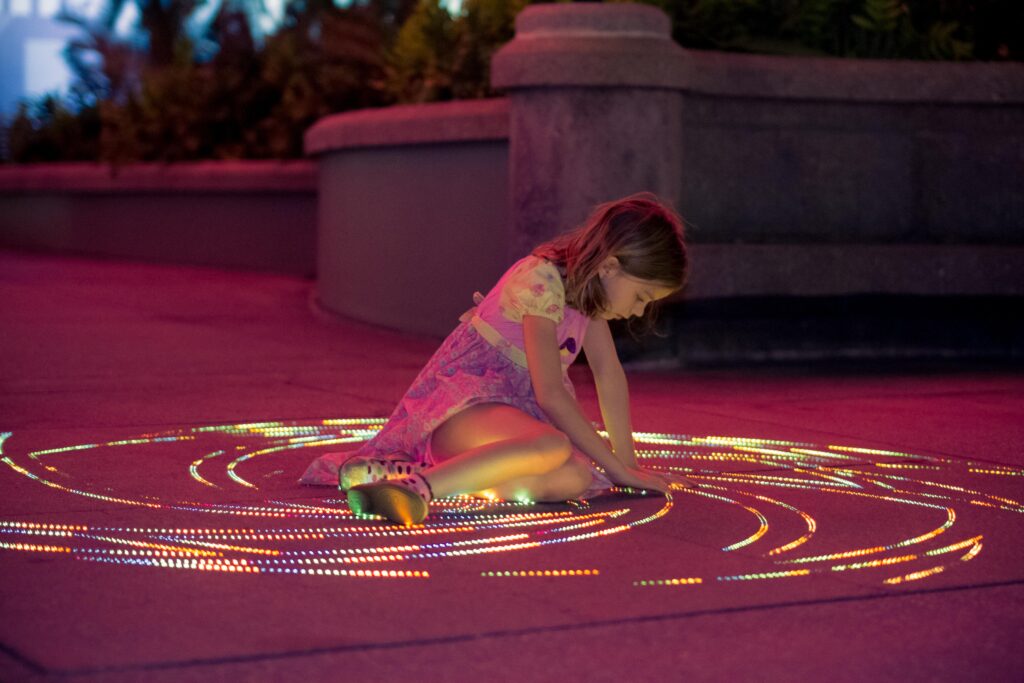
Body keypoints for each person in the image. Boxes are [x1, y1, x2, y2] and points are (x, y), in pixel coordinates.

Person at [300, 191, 696, 525]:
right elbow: (550, 397)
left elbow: (609, 376)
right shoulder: (541, 282)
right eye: (642, 297)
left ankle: (413, 476)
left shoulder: (588, 299)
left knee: (573, 478)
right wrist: (616, 469)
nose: (640, 311)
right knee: (554, 446)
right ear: (610, 267)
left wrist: (627, 468)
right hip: (459, 415)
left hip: (500, 432)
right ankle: (416, 491)